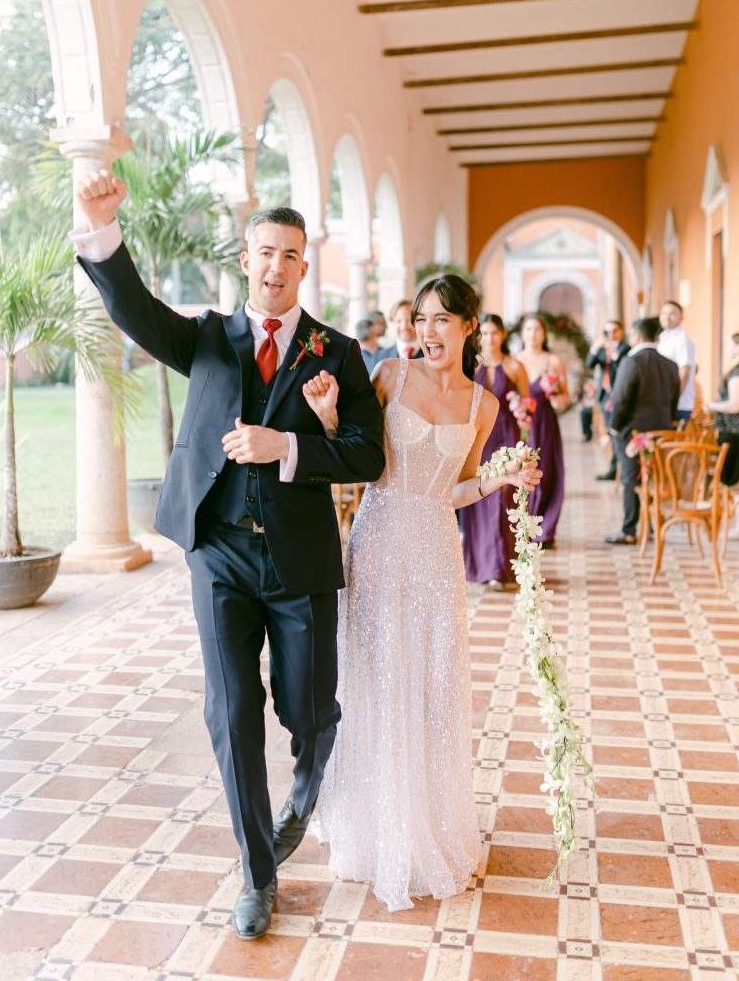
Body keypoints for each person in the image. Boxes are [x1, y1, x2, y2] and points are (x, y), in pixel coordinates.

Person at [70, 174, 385, 941]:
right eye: (265, 252)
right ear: (247, 259)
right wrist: (101, 230)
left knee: (308, 711)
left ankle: (304, 794)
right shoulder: (206, 336)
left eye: (291, 254)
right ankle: (256, 873)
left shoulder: (337, 353)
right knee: (232, 711)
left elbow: (366, 455)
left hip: (301, 561)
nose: (277, 266)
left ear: (305, 266)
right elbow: (134, 311)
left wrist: (289, 447)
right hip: (219, 555)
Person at [302, 276, 541, 911]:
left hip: (437, 552)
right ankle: (375, 826)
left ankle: (427, 825)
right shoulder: (389, 377)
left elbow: (455, 490)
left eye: (442, 320)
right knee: (378, 682)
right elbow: (355, 458)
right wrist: (327, 419)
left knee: (432, 688)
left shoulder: (484, 406)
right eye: (421, 318)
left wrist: (500, 479)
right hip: (379, 540)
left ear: (469, 327)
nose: (428, 332)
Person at [460, 312, 530, 589]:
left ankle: (498, 567)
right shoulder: (470, 365)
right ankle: (479, 564)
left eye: (495, 333)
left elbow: (527, 407)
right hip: (477, 439)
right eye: (485, 333)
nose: (489, 338)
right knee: (477, 498)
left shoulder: (514, 366)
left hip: (505, 438)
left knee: (501, 500)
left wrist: (522, 412)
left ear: (503, 336)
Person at [606, 316, 680, 545]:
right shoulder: (671, 364)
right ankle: (650, 527)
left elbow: (620, 399)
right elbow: (673, 401)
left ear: (637, 336)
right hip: (662, 432)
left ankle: (629, 529)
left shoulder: (632, 361)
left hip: (633, 433)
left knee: (631, 479)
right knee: (655, 479)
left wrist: (614, 427)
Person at [517, 313, 570, 549]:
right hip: (520, 423)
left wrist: (555, 392)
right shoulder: (515, 360)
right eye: (528, 329)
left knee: (546, 472)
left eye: (537, 329)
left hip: (545, 423)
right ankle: (522, 524)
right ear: (522, 333)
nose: (533, 334)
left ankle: (544, 528)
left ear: (544, 334)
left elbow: (564, 400)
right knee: (521, 472)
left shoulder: (553, 361)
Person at [585, 320, 630, 479]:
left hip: (619, 397)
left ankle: (618, 470)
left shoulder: (625, 349)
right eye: (607, 332)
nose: (610, 335)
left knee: (616, 433)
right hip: (605, 396)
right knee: (610, 433)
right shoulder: (602, 351)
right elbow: (589, 364)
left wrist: (614, 353)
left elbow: (622, 370)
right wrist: (595, 347)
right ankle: (614, 468)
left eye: (614, 331)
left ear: (621, 331)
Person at [708, 331, 739, 493]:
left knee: (730, 481)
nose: (727, 348)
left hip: (733, 431)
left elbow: (735, 405)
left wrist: (712, 405)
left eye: (729, 344)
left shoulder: (737, 372)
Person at [657, 300, 696, 423]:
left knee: (672, 441)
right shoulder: (662, 337)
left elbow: (684, 373)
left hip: (678, 405)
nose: (667, 317)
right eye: (663, 313)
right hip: (664, 402)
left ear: (681, 317)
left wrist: (672, 400)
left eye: (672, 314)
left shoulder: (682, 340)